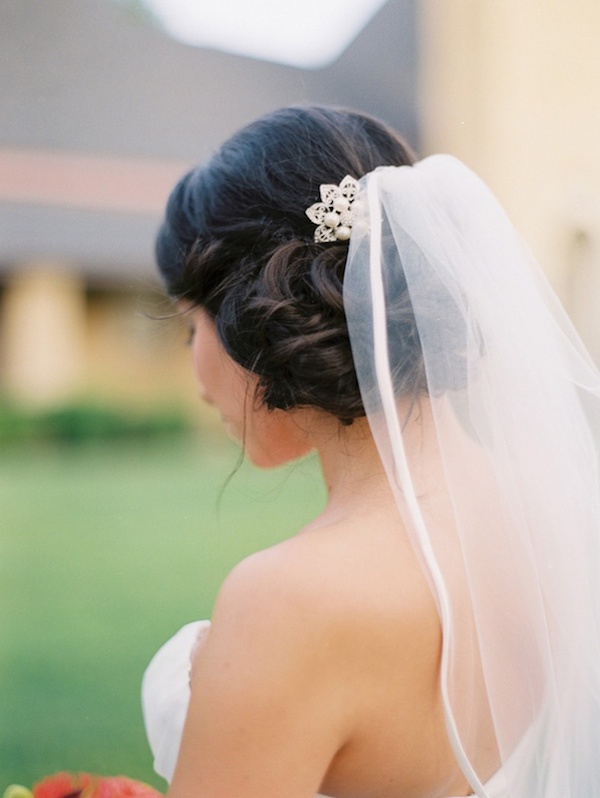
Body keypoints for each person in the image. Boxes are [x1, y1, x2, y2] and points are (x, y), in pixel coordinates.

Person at [142, 105, 600, 798]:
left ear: (251, 319)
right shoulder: (551, 512)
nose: (196, 372)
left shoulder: (290, 603)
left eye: (189, 327)